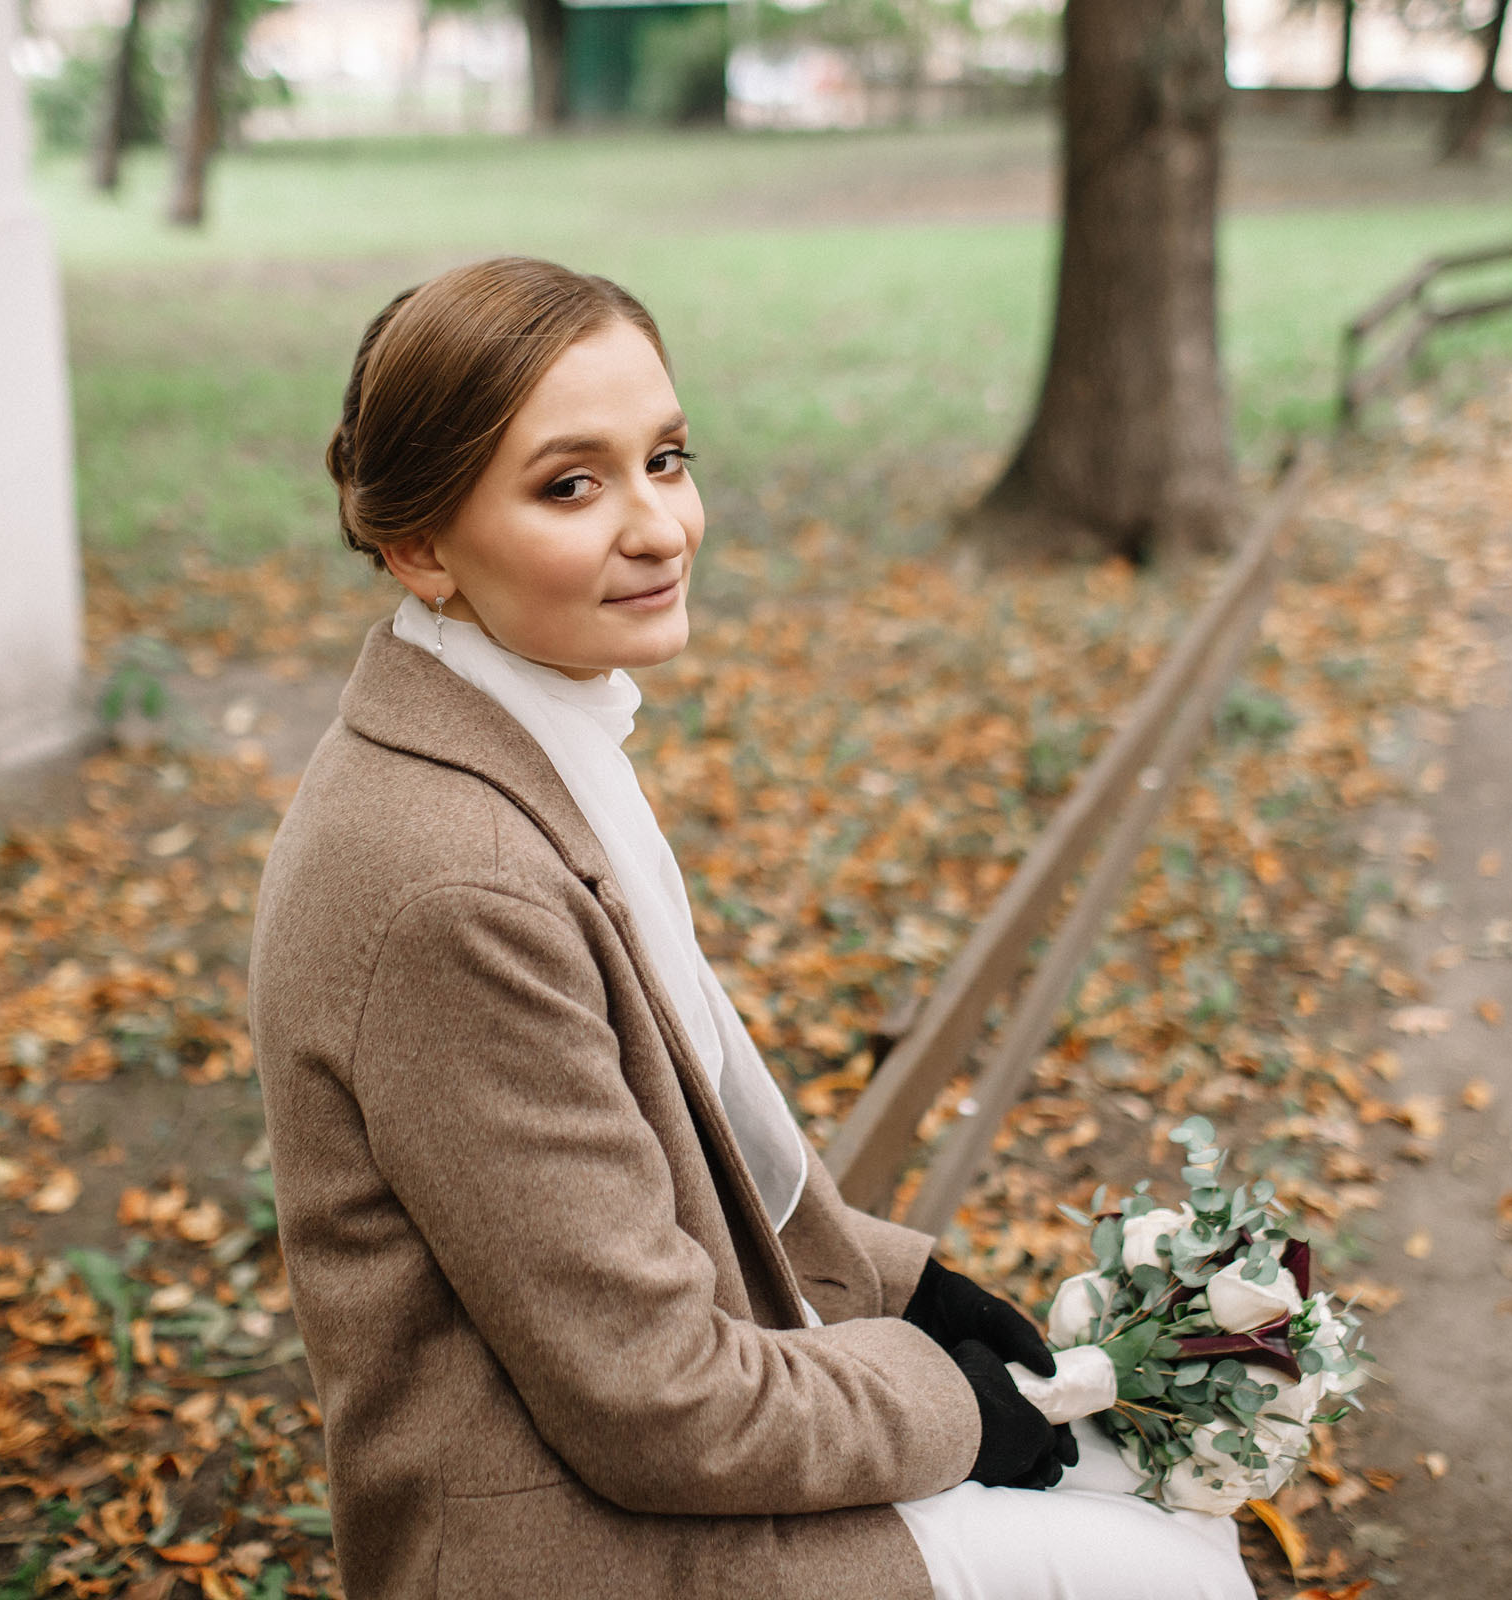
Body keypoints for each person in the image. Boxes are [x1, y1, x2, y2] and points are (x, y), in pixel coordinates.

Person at [248, 255, 1255, 1600]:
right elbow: (659, 1406)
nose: (659, 526)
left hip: (653, 1462)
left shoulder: (515, 734)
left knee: (1181, 1499)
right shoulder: (457, 882)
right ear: (420, 546)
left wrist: (919, 1288)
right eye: (571, 484)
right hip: (576, 1545)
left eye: (666, 458)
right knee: (1167, 1568)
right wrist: (965, 1406)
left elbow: (663, 1183)